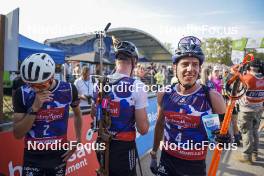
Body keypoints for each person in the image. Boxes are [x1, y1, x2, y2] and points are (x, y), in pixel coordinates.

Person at [150, 36, 229, 176]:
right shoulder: (164, 94)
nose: (190, 69)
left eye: (195, 64)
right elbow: (160, 124)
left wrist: (225, 137)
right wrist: (154, 154)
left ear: (200, 68)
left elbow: (221, 134)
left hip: (194, 165)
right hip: (167, 159)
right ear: (175, 67)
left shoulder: (213, 97)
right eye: (185, 64)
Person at [13, 53, 82, 176]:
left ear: (52, 76)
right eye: (30, 84)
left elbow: (77, 114)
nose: (35, 90)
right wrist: (34, 108)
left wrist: (78, 140)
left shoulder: (69, 89)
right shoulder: (22, 93)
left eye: (40, 85)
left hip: (58, 154)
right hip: (33, 155)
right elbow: (18, 134)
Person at [92, 41, 149, 176]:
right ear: (134, 61)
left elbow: (95, 115)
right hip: (123, 148)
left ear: (116, 59)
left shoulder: (99, 83)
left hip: (101, 144)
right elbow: (144, 129)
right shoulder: (137, 86)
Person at [235, 59, 264, 163]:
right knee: (255, 131)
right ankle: (255, 153)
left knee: (247, 132)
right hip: (259, 109)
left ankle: (247, 156)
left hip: (246, 110)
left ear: (250, 67)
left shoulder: (247, 78)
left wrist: (240, 68)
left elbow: (237, 88)